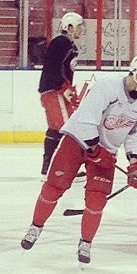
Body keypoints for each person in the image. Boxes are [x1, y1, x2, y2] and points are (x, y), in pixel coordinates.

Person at [21, 54, 137, 265]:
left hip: (106, 151)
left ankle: (86, 242)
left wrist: (134, 164)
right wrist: (95, 150)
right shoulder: (107, 86)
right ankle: (36, 226)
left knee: (97, 199)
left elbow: (133, 136)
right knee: (54, 187)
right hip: (77, 140)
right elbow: (87, 118)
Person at [38, 11, 85, 179]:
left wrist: (67, 88)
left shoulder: (69, 44)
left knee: (55, 129)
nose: (82, 30)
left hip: (55, 90)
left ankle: (48, 168)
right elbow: (53, 67)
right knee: (68, 128)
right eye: (79, 26)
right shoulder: (61, 42)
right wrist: (63, 87)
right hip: (54, 91)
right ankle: (61, 168)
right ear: (69, 27)